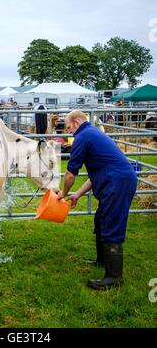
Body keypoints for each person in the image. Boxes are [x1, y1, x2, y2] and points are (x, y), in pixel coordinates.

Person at [57, 110, 137, 290]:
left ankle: (114, 277)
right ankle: (103, 261)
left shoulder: (83, 137)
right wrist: (76, 194)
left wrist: (63, 192)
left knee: (111, 224)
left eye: (69, 127)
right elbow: (96, 174)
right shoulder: (92, 134)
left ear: (77, 122)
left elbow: (70, 174)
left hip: (117, 182)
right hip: (117, 179)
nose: (69, 132)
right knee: (101, 219)